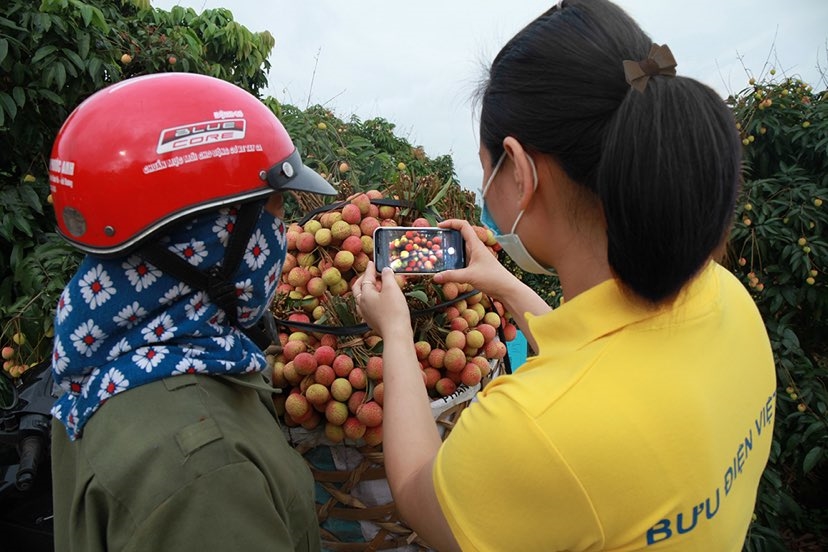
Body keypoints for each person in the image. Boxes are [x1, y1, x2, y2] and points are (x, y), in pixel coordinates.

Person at [354, 0, 776, 549]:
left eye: (486, 171)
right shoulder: (728, 299)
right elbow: (600, 365)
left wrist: (396, 332)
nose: (486, 194)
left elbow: (417, 493)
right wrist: (503, 283)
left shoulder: (529, 431)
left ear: (521, 171)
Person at [48, 73, 336, 551]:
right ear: (211, 242)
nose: (283, 235)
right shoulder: (209, 472)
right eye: (277, 209)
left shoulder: (110, 358)